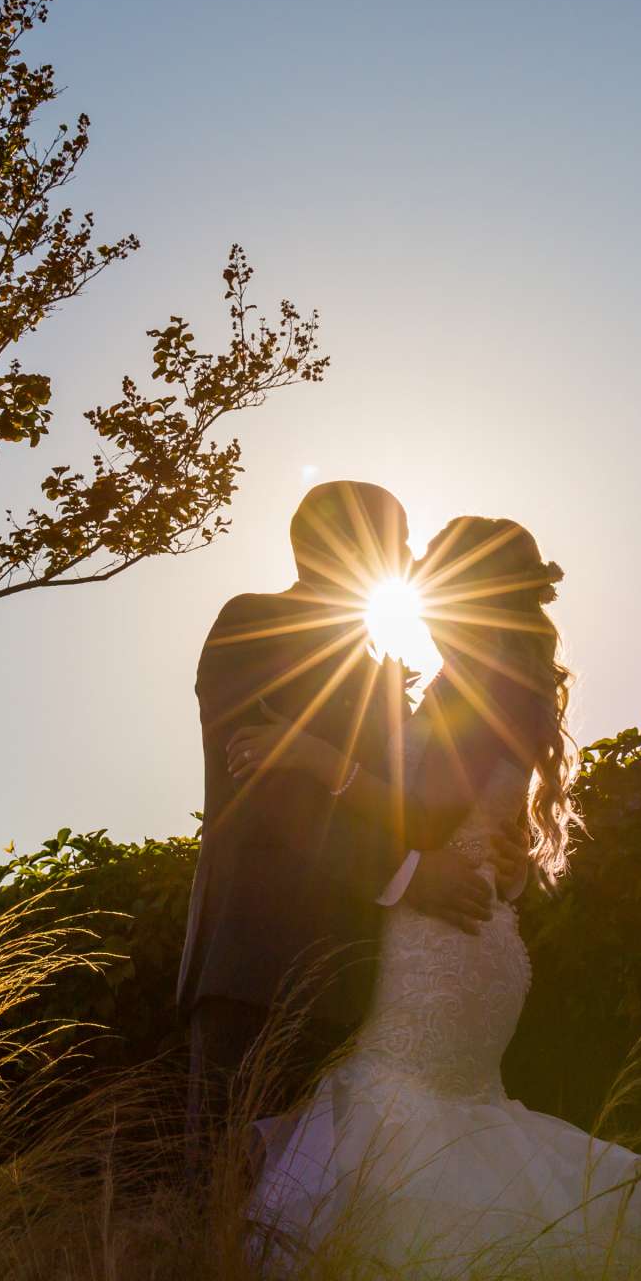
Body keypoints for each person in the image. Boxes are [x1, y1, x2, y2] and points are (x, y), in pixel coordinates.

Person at [232, 516, 641, 1281]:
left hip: (439, 949)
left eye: (434, 574)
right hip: (478, 933)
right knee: (445, 1122)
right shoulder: (490, 683)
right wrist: (506, 870)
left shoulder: (484, 684)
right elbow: (497, 840)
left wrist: (318, 758)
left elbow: (428, 813)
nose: (418, 587)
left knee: (400, 1118)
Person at [176, 482, 523, 1138]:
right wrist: (406, 873)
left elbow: (407, 804)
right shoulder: (253, 624)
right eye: (396, 542)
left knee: (325, 1206)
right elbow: (266, 790)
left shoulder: (382, 673)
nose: (406, 556)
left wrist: (499, 849)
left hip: (361, 980)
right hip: (258, 956)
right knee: (232, 1194)